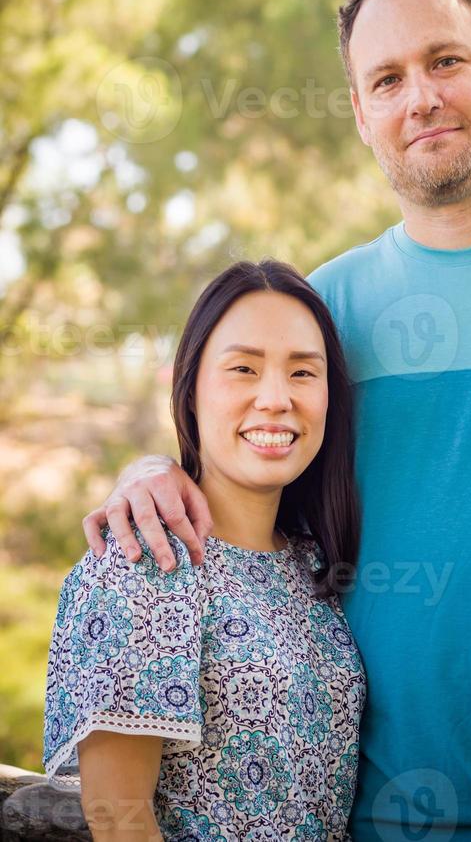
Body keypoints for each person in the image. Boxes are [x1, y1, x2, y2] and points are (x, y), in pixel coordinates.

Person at [81, 0, 471, 842]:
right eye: (386, 79)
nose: (418, 97)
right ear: (360, 114)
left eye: (445, 61)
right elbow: (240, 462)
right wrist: (150, 469)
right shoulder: (323, 317)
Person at [44, 260, 365, 841]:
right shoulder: (145, 564)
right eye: (243, 368)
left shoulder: (314, 561)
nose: (275, 398)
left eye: (303, 373)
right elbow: (119, 818)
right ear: (190, 388)